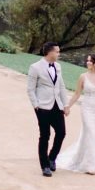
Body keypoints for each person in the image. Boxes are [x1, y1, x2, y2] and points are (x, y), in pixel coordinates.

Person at [57, 54, 95, 175]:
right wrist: (67, 106)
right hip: (87, 108)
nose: (87, 62)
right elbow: (77, 94)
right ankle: (90, 165)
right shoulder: (82, 77)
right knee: (90, 132)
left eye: (90, 61)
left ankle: (93, 162)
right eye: (87, 60)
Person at [27, 42, 70, 177]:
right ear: (50, 52)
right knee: (45, 136)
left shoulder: (58, 66)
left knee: (61, 133)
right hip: (43, 107)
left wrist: (66, 104)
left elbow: (61, 86)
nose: (59, 54)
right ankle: (45, 166)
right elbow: (30, 89)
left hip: (57, 105)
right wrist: (36, 105)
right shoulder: (35, 67)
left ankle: (52, 158)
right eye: (57, 52)